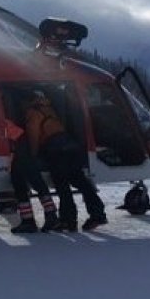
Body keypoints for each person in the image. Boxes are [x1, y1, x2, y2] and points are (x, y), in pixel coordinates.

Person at [24, 91, 107, 232]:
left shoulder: (33, 113)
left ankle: (68, 220)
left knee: (62, 185)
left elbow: (34, 136)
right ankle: (97, 213)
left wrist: (32, 156)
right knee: (80, 181)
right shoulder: (48, 107)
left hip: (55, 151)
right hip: (70, 145)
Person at [5, 116, 61, 234]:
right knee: (37, 185)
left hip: (19, 155)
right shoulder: (7, 121)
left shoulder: (2, 122)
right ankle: (50, 216)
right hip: (22, 154)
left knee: (21, 188)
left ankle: (29, 221)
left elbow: (12, 139)